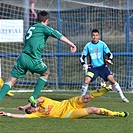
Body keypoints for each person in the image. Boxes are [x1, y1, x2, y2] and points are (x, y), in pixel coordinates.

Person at [0, 10, 77, 107]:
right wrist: (72, 44)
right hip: (33, 59)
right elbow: (58, 35)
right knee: (46, 73)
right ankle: (33, 96)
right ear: (47, 20)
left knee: (11, 80)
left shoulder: (31, 28)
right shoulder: (43, 28)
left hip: (22, 57)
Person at [0, 85, 129, 119]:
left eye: (32, 107)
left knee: (86, 97)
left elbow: (36, 99)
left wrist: (24, 106)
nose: (32, 109)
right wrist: (8, 114)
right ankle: (117, 114)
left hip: (69, 103)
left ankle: (106, 88)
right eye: (31, 110)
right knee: (93, 110)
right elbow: (22, 116)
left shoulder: (42, 101)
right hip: (67, 114)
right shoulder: (37, 114)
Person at [79, 29, 129, 103]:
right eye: (93, 35)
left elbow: (110, 54)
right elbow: (82, 57)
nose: (95, 37)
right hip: (93, 68)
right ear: (91, 36)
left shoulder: (102, 44)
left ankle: (123, 97)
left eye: (96, 35)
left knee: (112, 80)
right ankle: (81, 98)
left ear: (98, 36)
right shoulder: (88, 46)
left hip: (102, 67)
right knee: (86, 81)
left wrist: (109, 60)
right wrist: (84, 65)